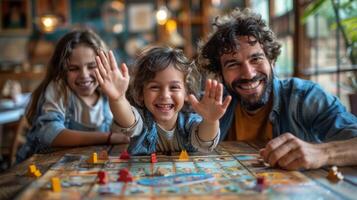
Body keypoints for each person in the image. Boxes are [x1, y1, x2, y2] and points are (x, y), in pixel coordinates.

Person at [197, 8, 357, 170]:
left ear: (272, 61)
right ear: (220, 74)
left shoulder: (304, 97)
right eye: (233, 64)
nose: (248, 73)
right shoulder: (211, 106)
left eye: (256, 59)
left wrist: (323, 152)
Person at [16, 30, 129, 162]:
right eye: (73, 68)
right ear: (61, 70)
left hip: (82, 167)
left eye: (92, 66)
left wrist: (119, 98)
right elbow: (50, 132)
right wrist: (108, 137)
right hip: (40, 167)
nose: (84, 75)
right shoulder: (60, 88)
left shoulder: (106, 94)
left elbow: (125, 132)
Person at [95, 46, 231, 155]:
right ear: (141, 93)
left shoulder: (190, 122)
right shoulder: (142, 122)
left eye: (174, 87)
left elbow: (205, 141)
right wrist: (118, 99)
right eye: (154, 87)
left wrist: (210, 120)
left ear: (186, 92)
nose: (165, 95)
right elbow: (127, 121)